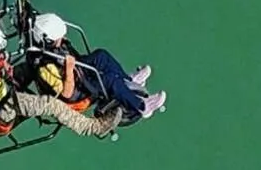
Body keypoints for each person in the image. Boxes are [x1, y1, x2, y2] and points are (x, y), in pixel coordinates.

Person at [24, 10, 165, 123]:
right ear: (48, 40)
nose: (63, 38)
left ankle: (128, 81)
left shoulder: (44, 41)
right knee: (109, 80)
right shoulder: (45, 68)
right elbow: (66, 93)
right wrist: (68, 68)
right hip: (76, 93)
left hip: (75, 70)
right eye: (59, 38)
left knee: (101, 56)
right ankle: (142, 107)